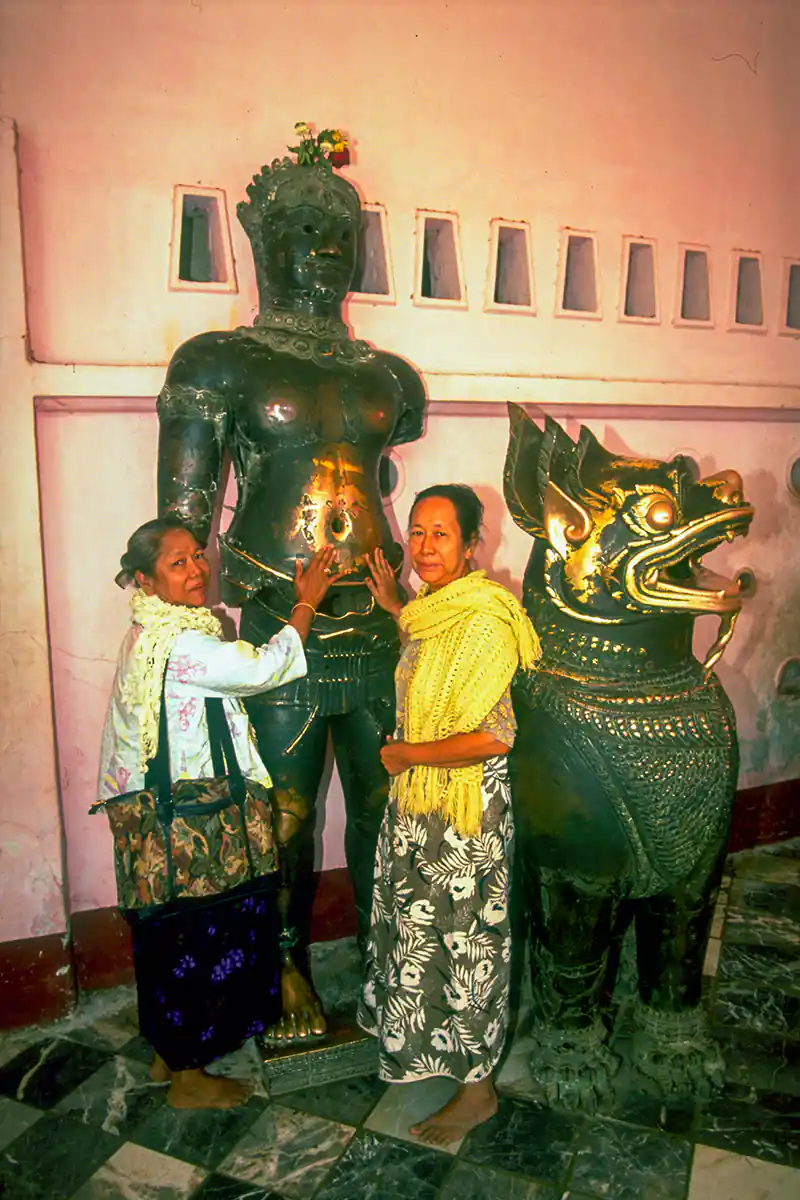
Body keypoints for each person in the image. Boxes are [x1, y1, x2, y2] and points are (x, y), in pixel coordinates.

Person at [156, 145, 425, 1042]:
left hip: (378, 622)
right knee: (283, 815)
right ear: (259, 241)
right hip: (282, 621)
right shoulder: (219, 363)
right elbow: (183, 518)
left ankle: (396, 954)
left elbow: (381, 491)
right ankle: (282, 968)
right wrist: (176, 633)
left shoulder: (387, 376)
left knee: (388, 805)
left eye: (338, 229)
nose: (322, 243)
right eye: (300, 227)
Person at [96, 514, 341, 1109]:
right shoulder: (183, 643)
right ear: (147, 581)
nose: (197, 569)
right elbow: (261, 669)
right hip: (188, 825)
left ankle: (166, 1053)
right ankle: (188, 1080)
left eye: (197, 556)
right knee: (195, 941)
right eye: (177, 563)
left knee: (161, 935)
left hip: (149, 819)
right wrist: (305, 605)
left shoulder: (148, 632)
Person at [357, 484, 540, 1146]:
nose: (427, 546)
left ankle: (478, 1091)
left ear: (472, 545)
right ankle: (437, 1053)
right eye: (418, 531)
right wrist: (395, 607)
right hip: (422, 803)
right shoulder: (433, 610)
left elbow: (496, 736)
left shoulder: (487, 618)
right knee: (422, 939)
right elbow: (427, 639)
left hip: (465, 814)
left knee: (468, 946)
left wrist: (409, 753)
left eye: (443, 534)